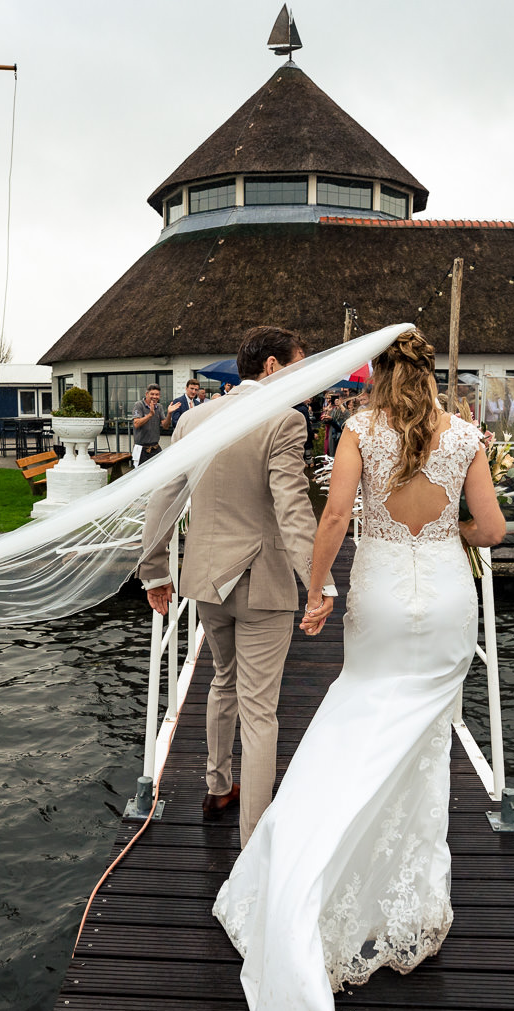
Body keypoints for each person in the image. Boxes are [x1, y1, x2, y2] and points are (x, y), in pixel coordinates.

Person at [212, 327, 506, 1011]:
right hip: (444, 599)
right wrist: (450, 529)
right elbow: (494, 529)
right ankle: (414, 906)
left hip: (377, 598)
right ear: (432, 372)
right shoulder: (465, 434)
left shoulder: (359, 430)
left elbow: (337, 518)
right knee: (425, 744)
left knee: (356, 721)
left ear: (375, 373)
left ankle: (312, 867)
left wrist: (317, 590)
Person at [139, 326, 328, 848]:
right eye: (299, 366)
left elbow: (164, 496)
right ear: (271, 367)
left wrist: (156, 571)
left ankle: (218, 788)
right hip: (262, 581)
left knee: (223, 680)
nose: (306, 379)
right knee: (260, 708)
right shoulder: (284, 421)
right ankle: (254, 843)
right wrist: (319, 582)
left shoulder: (193, 419)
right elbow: (291, 508)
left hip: (204, 579)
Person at [131, 384, 164, 466]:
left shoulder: (159, 407)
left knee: (159, 471)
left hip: (155, 447)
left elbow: (165, 425)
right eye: (152, 394)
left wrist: (170, 414)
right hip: (141, 449)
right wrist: (150, 415)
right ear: (146, 394)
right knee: (140, 475)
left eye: (157, 394)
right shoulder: (139, 405)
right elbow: (136, 424)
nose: (154, 396)